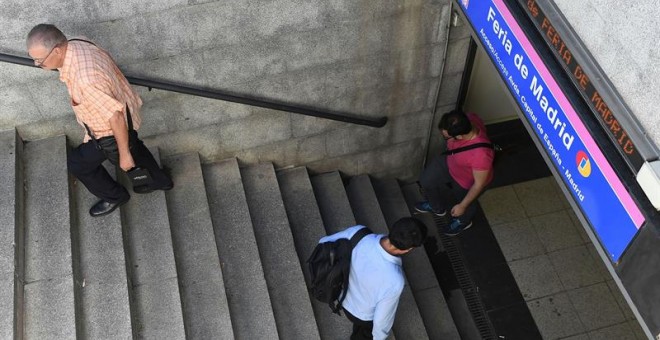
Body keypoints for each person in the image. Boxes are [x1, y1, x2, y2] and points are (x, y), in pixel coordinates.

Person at [26, 24, 173, 217]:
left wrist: (123, 154)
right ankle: (161, 181)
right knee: (135, 147)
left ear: (57, 50)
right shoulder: (79, 42)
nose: (38, 64)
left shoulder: (85, 80)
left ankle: (115, 197)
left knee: (78, 164)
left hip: (110, 133)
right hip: (126, 108)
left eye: (40, 60)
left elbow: (115, 117)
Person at [318, 217, 428, 340]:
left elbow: (324, 242)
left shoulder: (359, 233)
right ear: (409, 249)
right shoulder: (395, 280)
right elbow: (382, 320)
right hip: (361, 316)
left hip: (340, 293)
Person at [415, 109, 495, 235]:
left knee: (466, 204)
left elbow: (478, 184)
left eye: (446, 137)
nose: (446, 139)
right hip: (450, 162)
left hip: (465, 181)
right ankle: (436, 207)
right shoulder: (470, 117)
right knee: (426, 181)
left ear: (459, 137)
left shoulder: (481, 155)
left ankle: (463, 221)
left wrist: (462, 206)